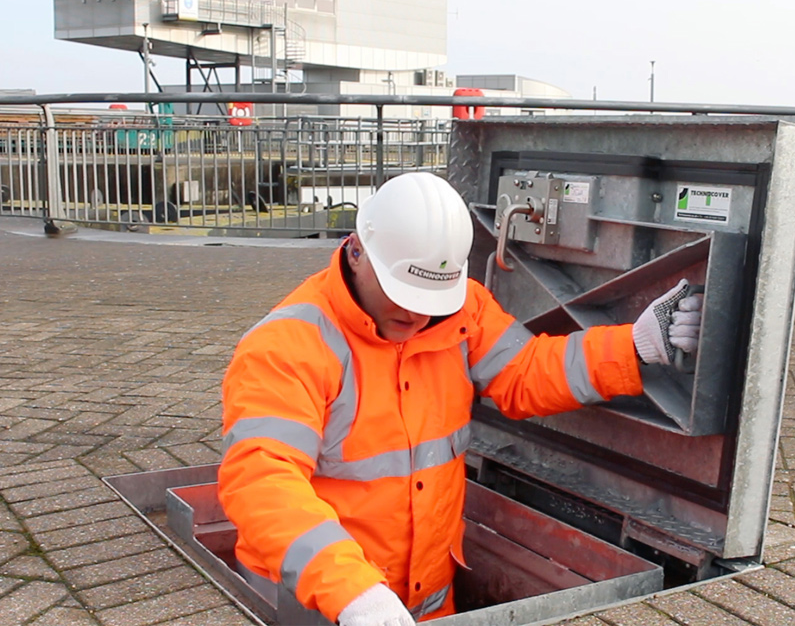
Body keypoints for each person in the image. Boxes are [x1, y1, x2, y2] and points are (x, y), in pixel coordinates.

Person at [218, 172, 701, 626]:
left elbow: (525, 372)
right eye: (400, 293)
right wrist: (352, 591)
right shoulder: (286, 346)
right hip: (317, 607)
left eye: (429, 301)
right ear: (357, 250)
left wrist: (634, 347)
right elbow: (264, 482)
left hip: (425, 603)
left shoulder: (460, 309)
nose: (415, 315)